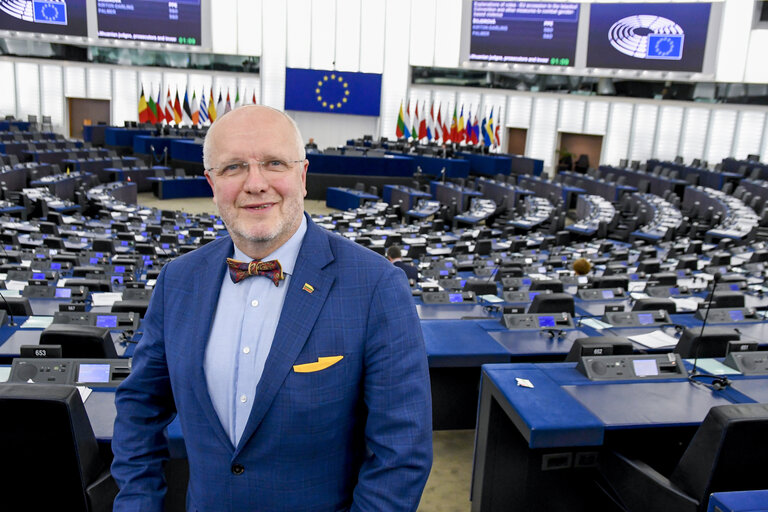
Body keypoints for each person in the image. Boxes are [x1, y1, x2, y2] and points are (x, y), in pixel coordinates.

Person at [111, 105, 433, 512]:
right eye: (233, 168)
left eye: (274, 163)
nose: (255, 183)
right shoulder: (178, 280)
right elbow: (139, 408)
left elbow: (401, 456)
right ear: (211, 182)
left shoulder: (375, 286)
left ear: (302, 175)